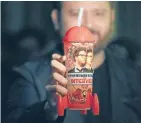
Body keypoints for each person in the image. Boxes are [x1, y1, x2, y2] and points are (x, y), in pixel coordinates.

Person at [6, 1, 141, 123]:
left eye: (98, 14)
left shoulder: (135, 77)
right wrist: (49, 109)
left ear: (112, 18)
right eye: (76, 13)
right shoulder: (29, 76)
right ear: (56, 20)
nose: (88, 24)